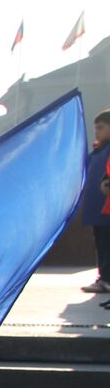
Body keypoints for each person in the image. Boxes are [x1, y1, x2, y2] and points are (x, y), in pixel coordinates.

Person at [79, 108, 110, 294]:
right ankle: (103, 277)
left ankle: (106, 279)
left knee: (107, 244)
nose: (97, 131)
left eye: (101, 127)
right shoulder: (98, 151)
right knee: (101, 244)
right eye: (95, 127)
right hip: (98, 209)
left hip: (107, 209)